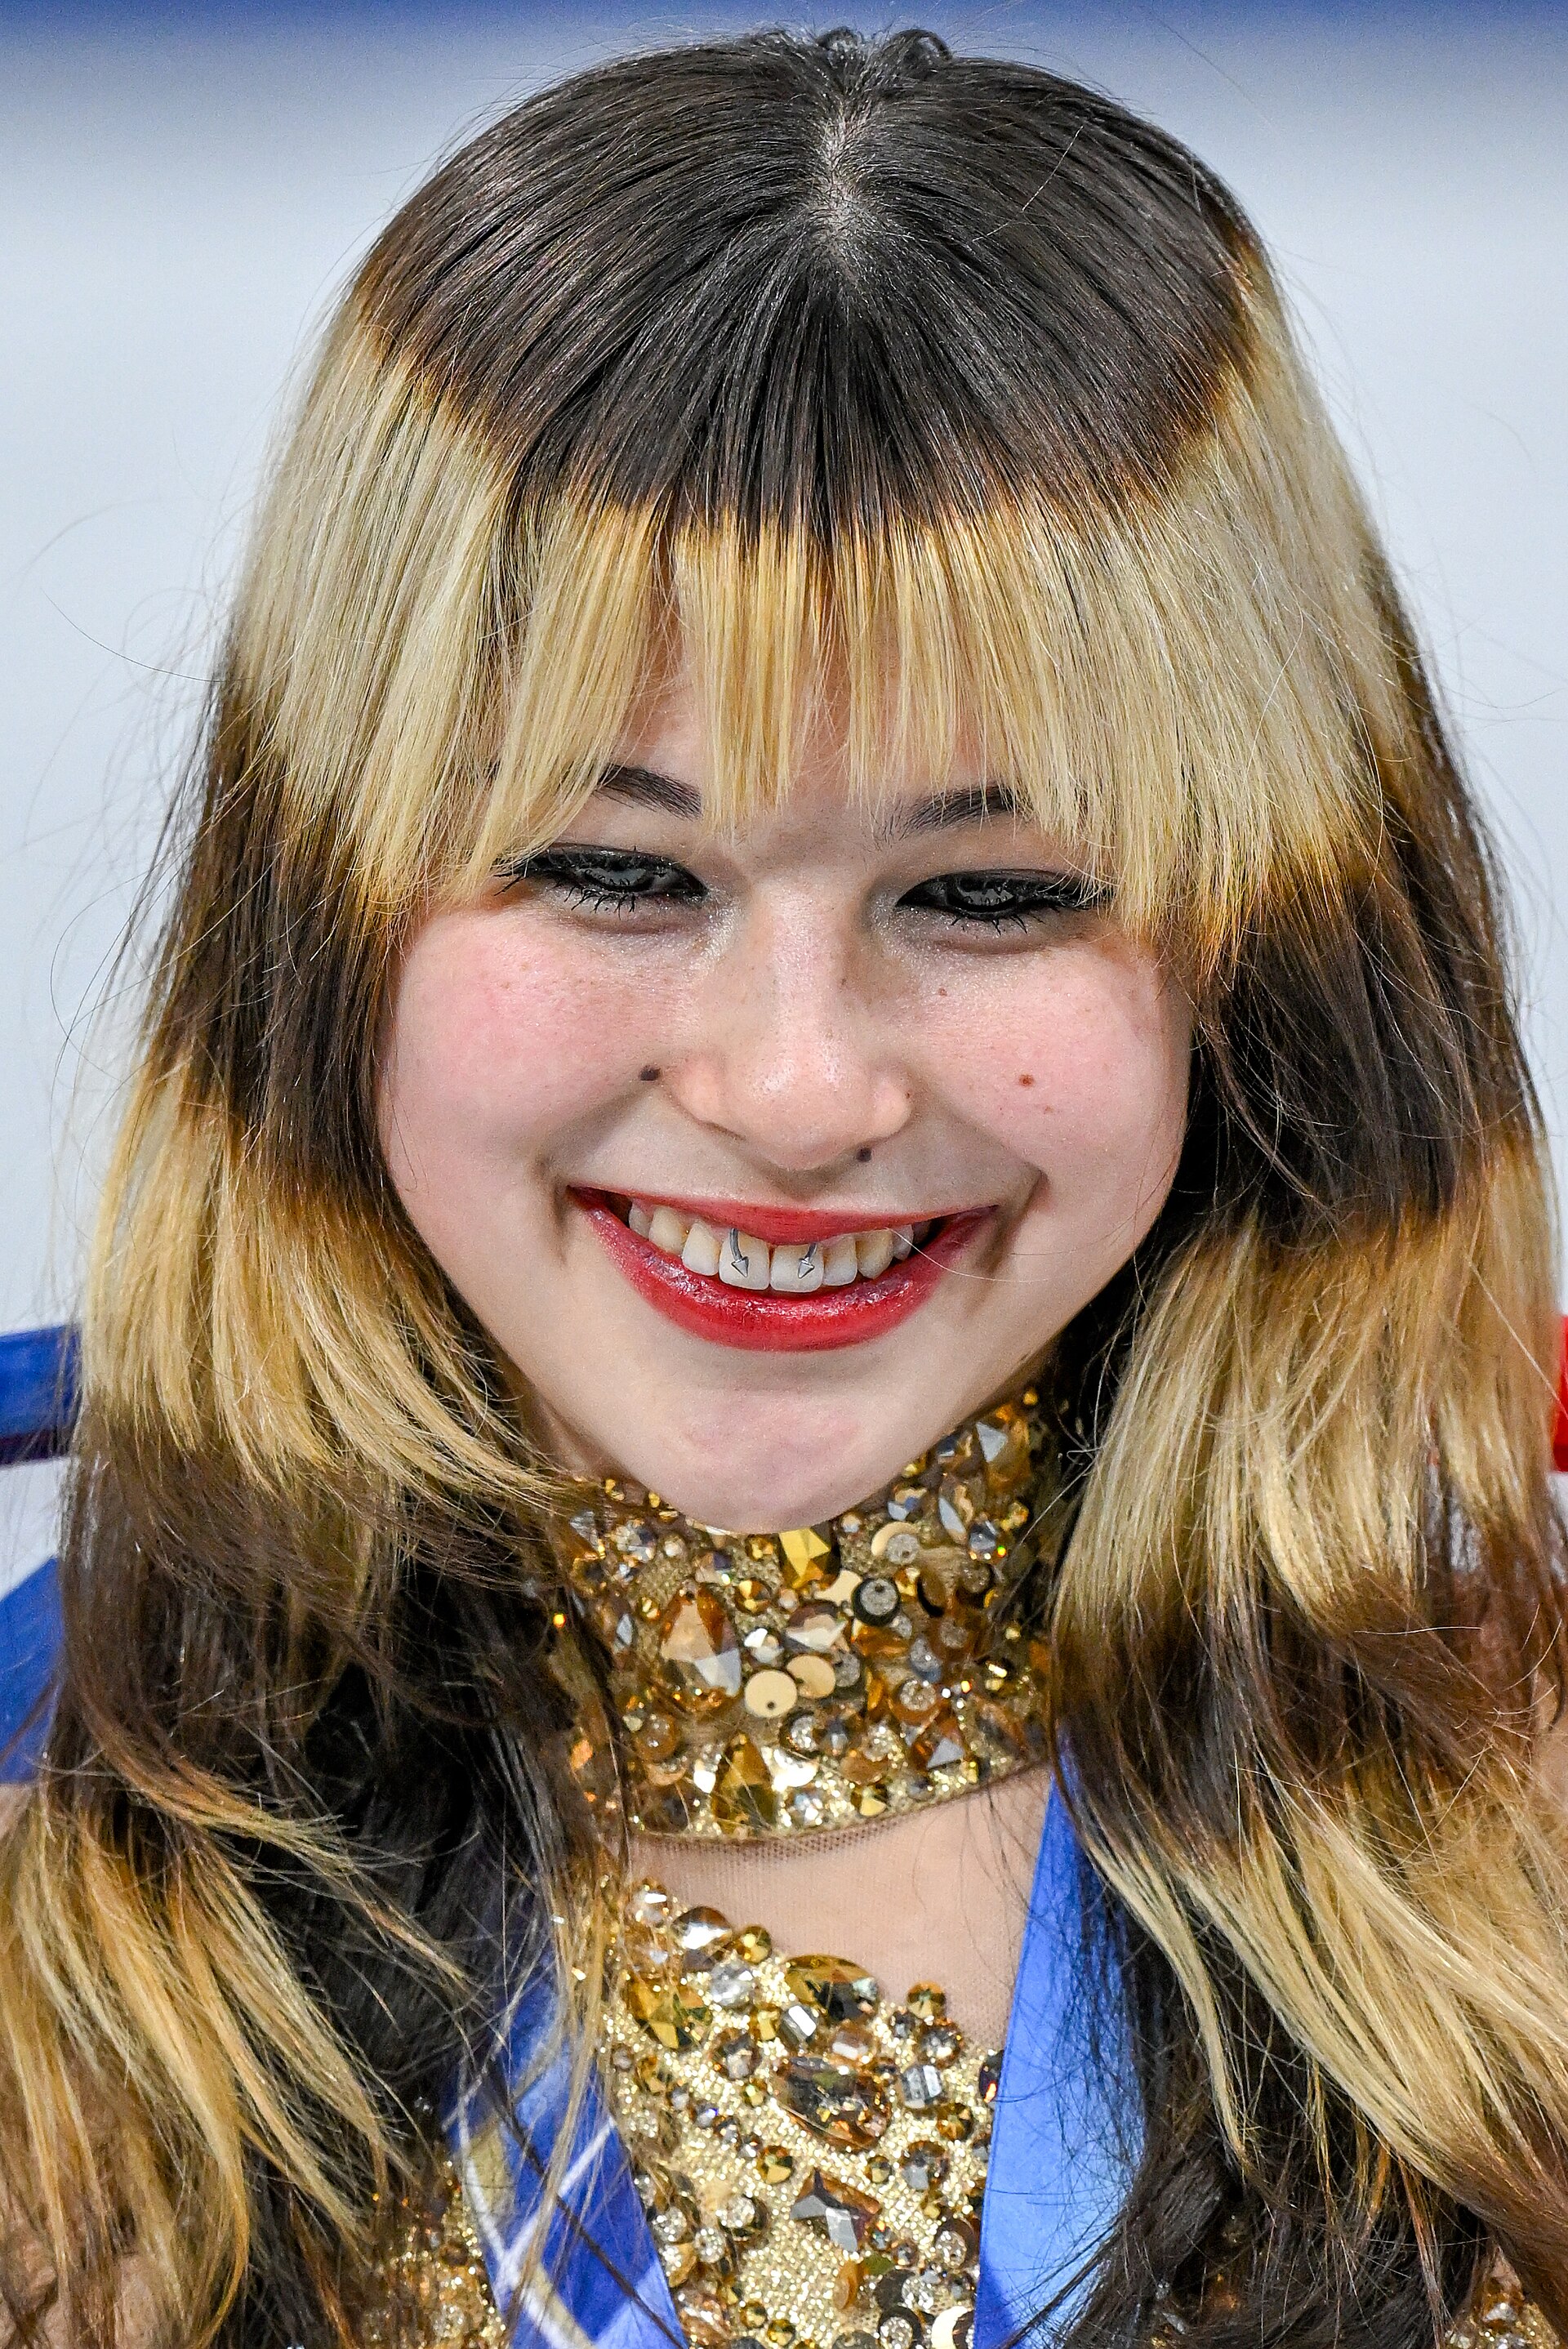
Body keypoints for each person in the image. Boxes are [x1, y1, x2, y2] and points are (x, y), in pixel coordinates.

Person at [2, 24, 1566, 2349]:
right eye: (614, 868)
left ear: (1273, 929)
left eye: (997, 893)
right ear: (317, 912)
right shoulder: (55, 1914)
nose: (800, 1085)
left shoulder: (1523, 1868)